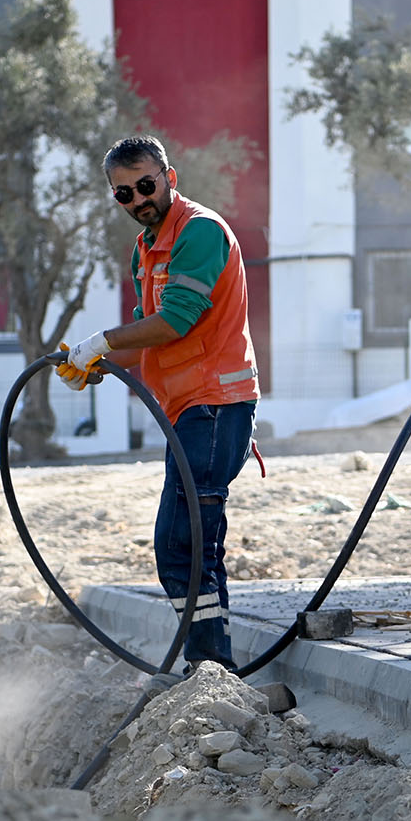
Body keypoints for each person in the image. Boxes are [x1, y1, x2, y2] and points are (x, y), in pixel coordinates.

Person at [59, 135, 259, 670]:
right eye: (124, 193)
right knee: (194, 542)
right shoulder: (146, 248)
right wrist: (93, 364)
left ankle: (211, 669)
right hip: (188, 411)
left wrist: (101, 341)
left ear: (169, 176)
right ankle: (212, 666)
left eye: (146, 185)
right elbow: (156, 338)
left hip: (215, 406)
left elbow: (177, 319)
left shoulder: (198, 232)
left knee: (180, 544)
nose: (138, 199)